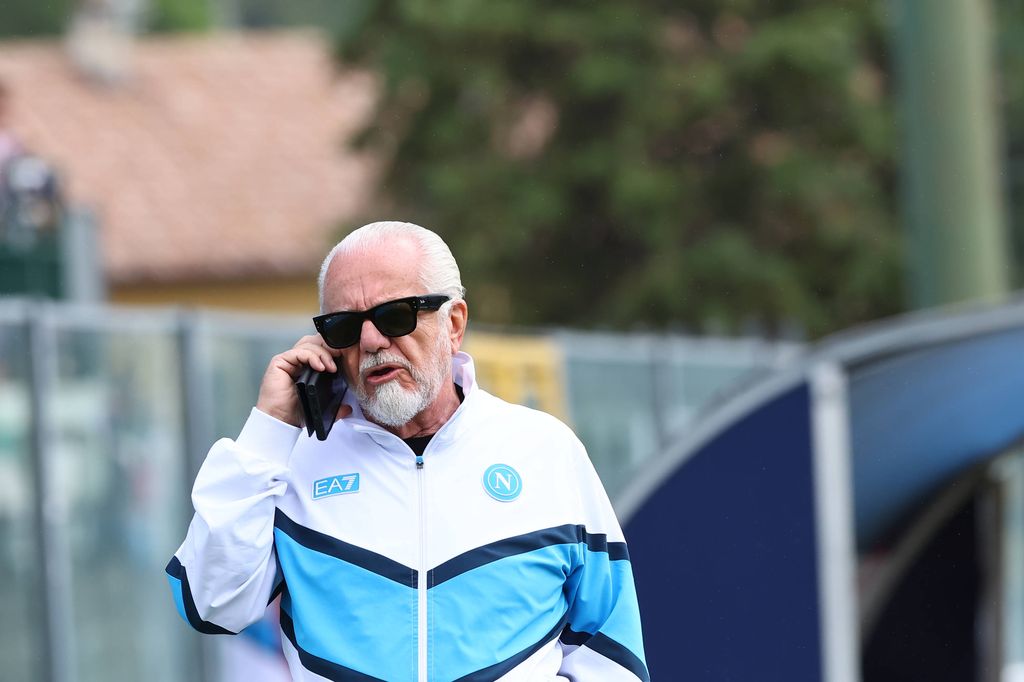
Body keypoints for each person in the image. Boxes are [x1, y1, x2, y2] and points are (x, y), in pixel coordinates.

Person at [166, 221, 649, 681]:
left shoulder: (545, 449)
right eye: (344, 326)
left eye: (394, 315)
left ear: (453, 324)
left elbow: (611, 646)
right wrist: (270, 428)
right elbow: (212, 604)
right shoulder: (287, 462)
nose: (371, 340)